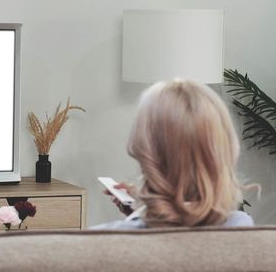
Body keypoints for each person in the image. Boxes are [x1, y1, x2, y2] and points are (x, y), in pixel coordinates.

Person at [92, 79, 253, 229]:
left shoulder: (101, 240)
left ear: (142, 149)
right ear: (225, 149)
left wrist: (140, 216)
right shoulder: (240, 225)